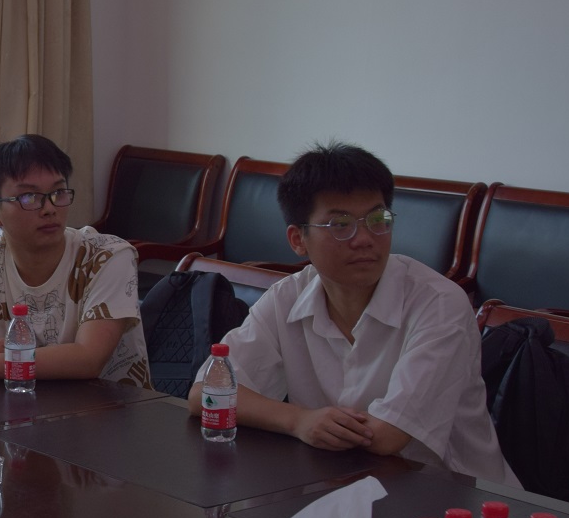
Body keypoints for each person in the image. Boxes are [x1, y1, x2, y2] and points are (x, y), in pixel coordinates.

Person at [186, 142, 516, 485]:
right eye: (340, 225)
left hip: (455, 496)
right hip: (344, 481)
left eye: (377, 220)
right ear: (298, 240)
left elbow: (387, 436)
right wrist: (298, 420)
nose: (365, 239)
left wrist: (301, 421)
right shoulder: (288, 296)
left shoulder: (439, 303)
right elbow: (205, 395)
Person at [0, 134, 151, 386]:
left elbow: (89, 358)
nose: (50, 208)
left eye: (58, 192)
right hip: (21, 398)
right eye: (29, 197)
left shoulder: (107, 256)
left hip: (109, 405)